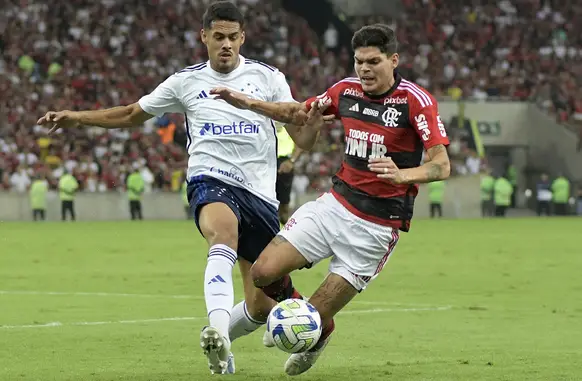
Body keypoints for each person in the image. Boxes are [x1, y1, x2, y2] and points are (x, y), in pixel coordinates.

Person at [36, 1, 332, 375]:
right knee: (222, 236)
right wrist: (76, 117)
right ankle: (218, 332)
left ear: (242, 38)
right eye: (218, 37)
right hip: (211, 181)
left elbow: (301, 139)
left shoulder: (269, 78)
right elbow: (131, 113)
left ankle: (224, 343)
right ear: (204, 37)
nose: (226, 44)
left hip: (261, 195)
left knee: (259, 307)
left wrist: (314, 123)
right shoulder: (185, 81)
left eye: (232, 37)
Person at [211, 23, 451, 375]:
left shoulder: (415, 101)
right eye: (359, 61)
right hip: (333, 207)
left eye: (373, 61)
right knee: (263, 273)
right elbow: (297, 113)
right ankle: (302, 320)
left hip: (375, 230)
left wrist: (404, 175)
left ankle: (318, 331)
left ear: (393, 60)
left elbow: (441, 165)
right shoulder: (345, 91)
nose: (365, 69)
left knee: (318, 316)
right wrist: (244, 101)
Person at [276, 124, 304, 224]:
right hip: (266, 162)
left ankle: (282, 232)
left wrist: (291, 161)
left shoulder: (288, 123)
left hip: (284, 162)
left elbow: (300, 143)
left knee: (284, 203)